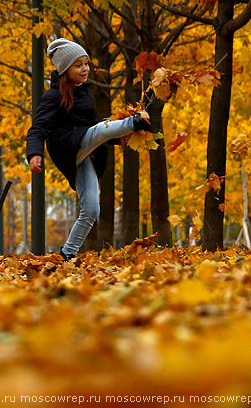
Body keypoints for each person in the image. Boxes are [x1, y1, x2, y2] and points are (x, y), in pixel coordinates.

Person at [26, 38, 155, 262]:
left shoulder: (84, 91)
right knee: (101, 128)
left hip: (83, 147)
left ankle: (68, 253)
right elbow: (37, 128)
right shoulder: (53, 96)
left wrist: (120, 137)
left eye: (86, 63)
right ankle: (134, 122)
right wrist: (34, 154)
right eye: (78, 65)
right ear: (65, 69)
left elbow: (95, 132)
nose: (85, 69)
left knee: (92, 209)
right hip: (64, 146)